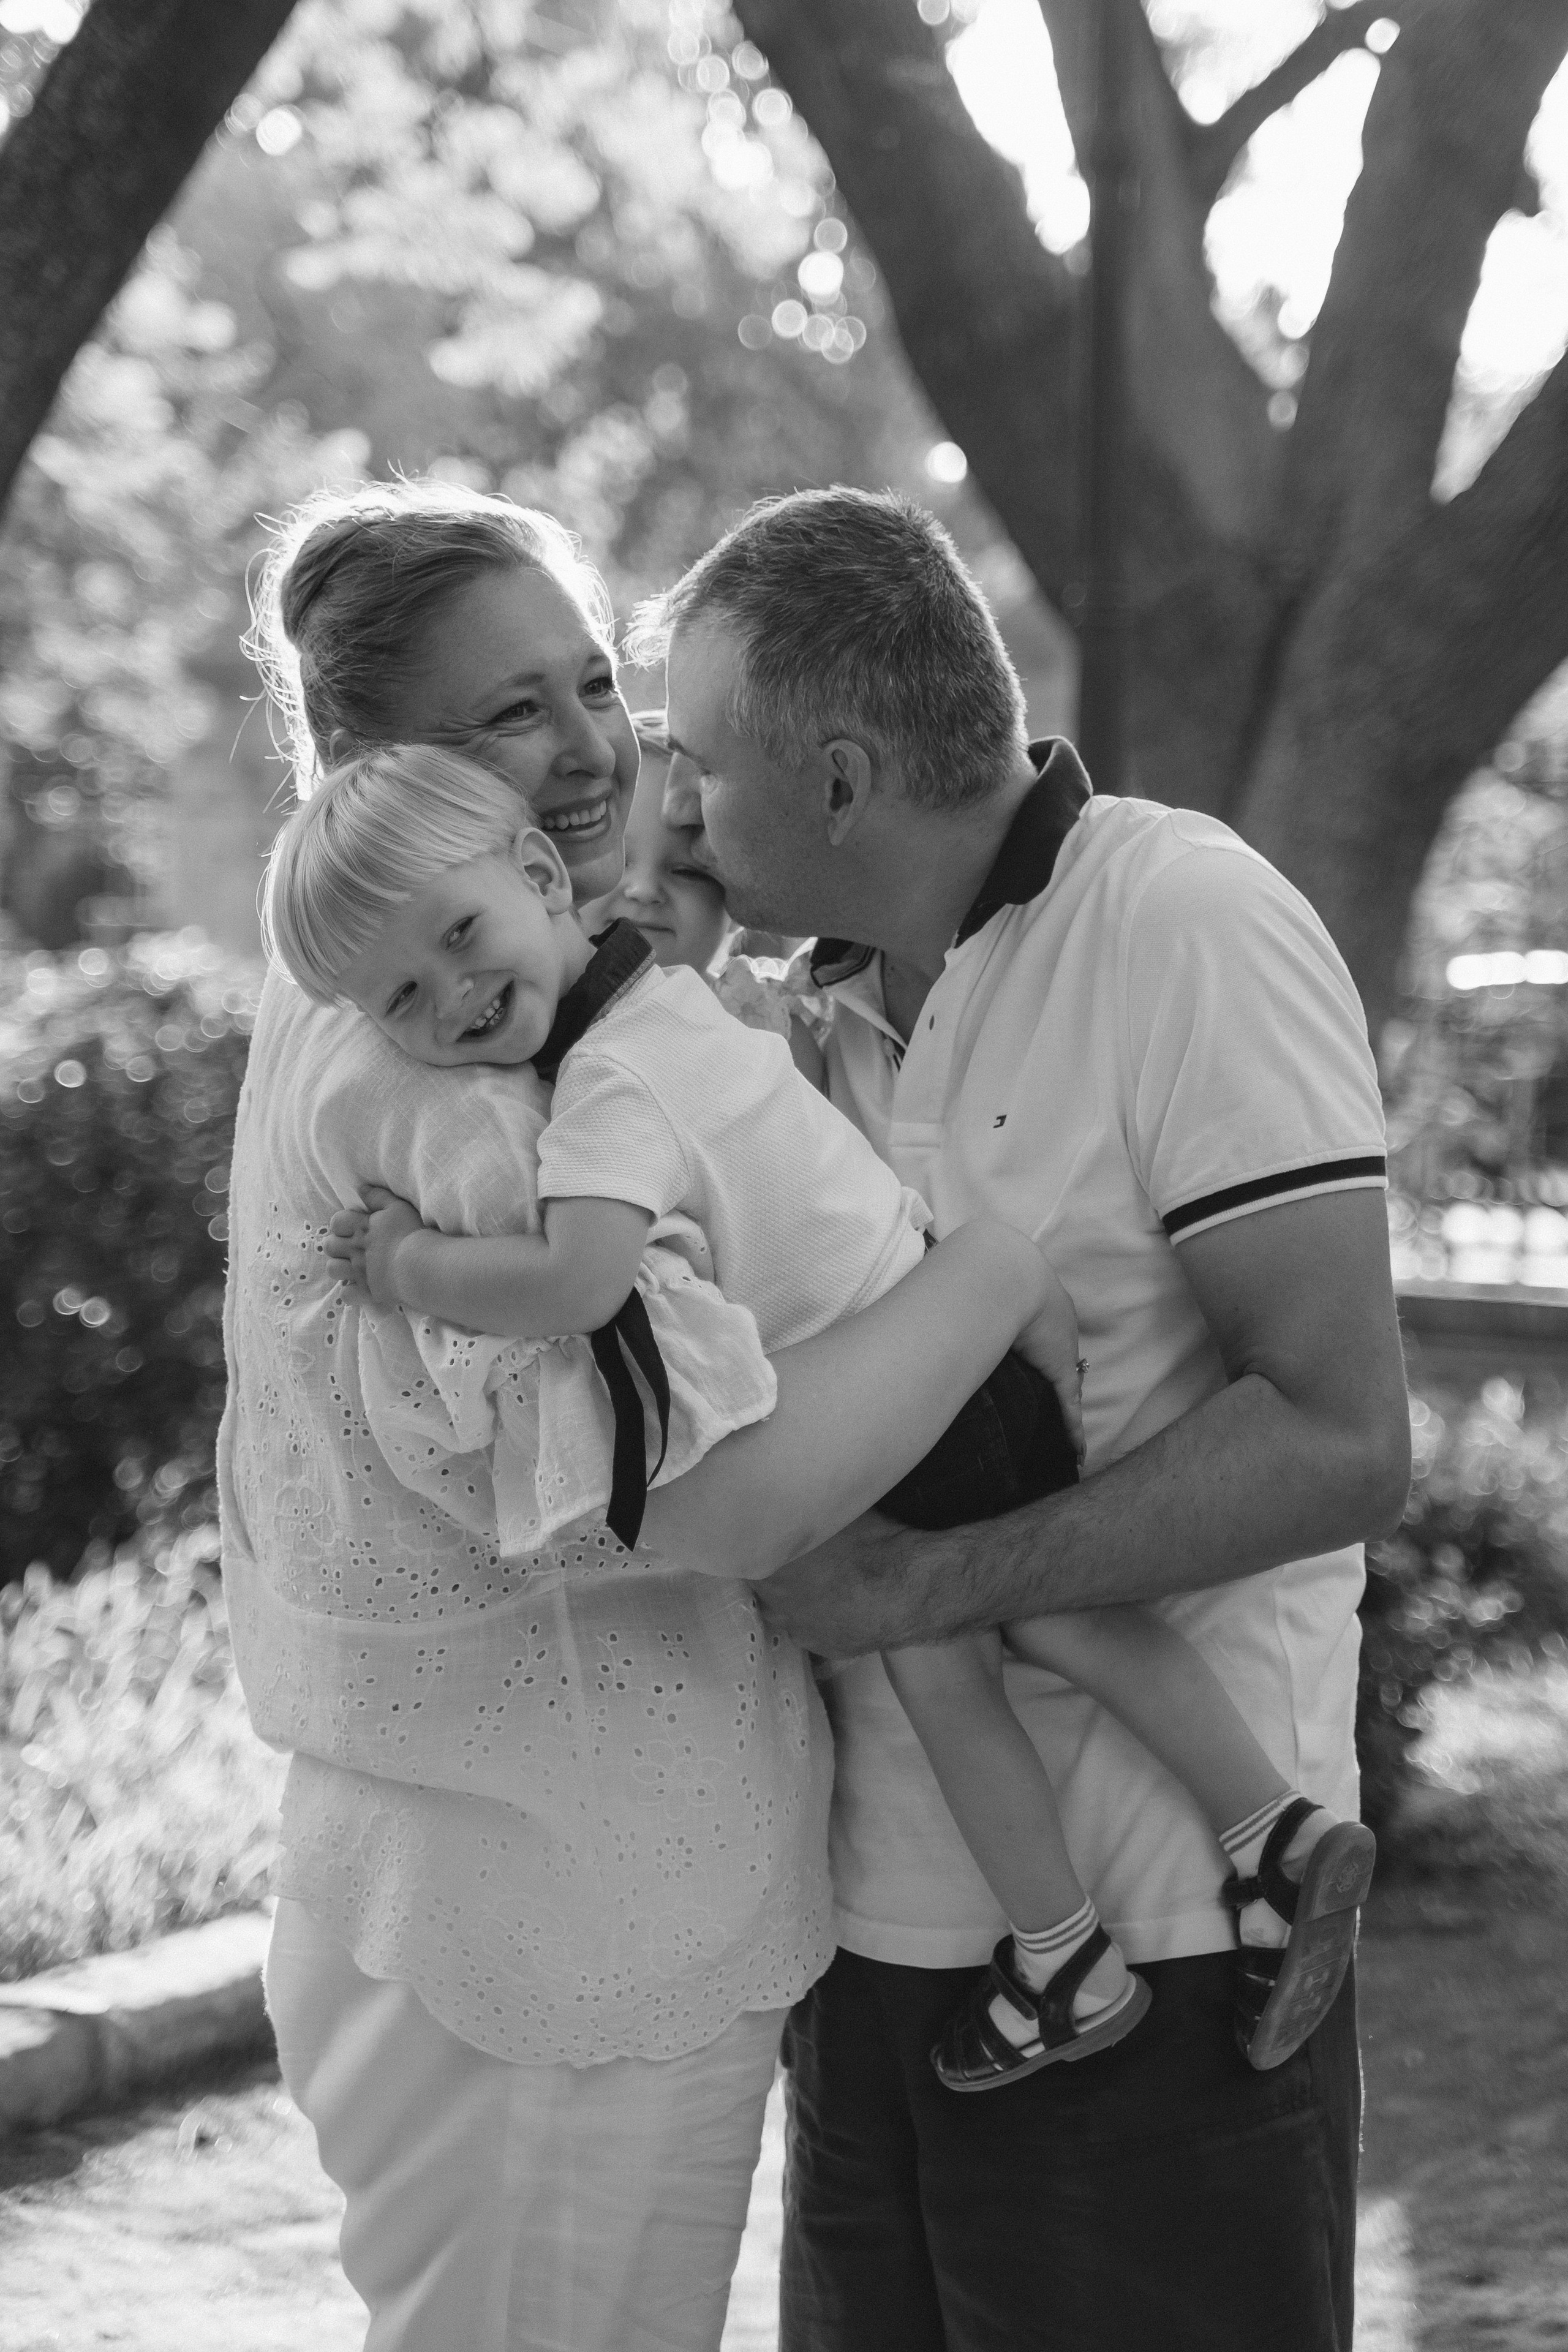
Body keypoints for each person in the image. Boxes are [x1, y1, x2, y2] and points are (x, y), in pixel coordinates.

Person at [224, 477, 1051, 2352]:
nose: (594, 747)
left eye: (595, 679)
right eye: (510, 714)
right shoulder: (461, 1095)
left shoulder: (412, 1002)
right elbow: (709, 1506)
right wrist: (990, 1279)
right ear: (379, 775)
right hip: (561, 1928)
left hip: (527, 1892)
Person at [273, 739, 1376, 2091]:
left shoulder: (607, 1091)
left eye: (459, 936)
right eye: (401, 997)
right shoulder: (679, 1010)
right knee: (1056, 1619)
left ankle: (1069, 1954)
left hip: (907, 1395)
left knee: (940, 1656)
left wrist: (407, 1265)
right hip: (946, 1363)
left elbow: (576, 1279)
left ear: (540, 875)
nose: (454, 994)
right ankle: (1268, 1833)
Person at [637, 485, 1412, 2350]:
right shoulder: (777, 1027)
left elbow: (1341, 1436)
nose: (677, 807)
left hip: (1179, 1956)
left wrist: (922, 1588)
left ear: (838, 781)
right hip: (870, 1963)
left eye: (702, 765)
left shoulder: (1182, 921)